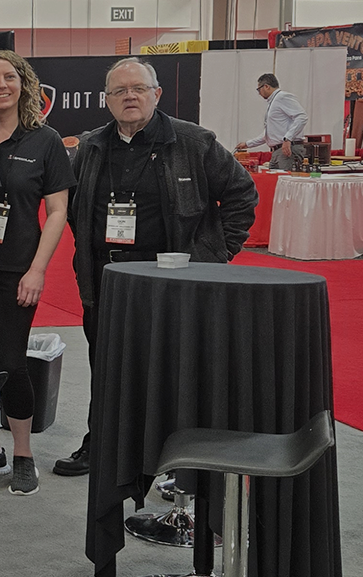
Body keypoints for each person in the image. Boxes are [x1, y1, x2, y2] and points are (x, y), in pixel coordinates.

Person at [53, 57, 258, 478]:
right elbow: (72, 209)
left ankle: (176, 457)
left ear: (156, 94)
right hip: (107, 280)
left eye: (138, 89)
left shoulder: (193, 142)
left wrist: (215, 255)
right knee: (106, 366)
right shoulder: (90, 147)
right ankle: (102, 443)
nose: (129, 97)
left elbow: (242, 194)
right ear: (107, 99)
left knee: (176, 370)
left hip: (173, 280)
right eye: (119, 91)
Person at [0, 51, 74, 496]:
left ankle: (23, 454)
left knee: (10, 363)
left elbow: (58, 211)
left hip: (16, 270)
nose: (1, 85)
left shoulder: (45, 140)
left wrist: (37, 270)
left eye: (9, 77)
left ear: (24, 83)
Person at [237, 72, 308, 170]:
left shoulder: (282, 97)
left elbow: (301, 117)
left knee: (284, 178)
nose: (259, 93)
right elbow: (270, 134)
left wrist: (288, 139)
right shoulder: (274, 102)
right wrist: (247, 144)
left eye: (259, 89)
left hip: (287, 150)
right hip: (277, 151)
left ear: (266, 86)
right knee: (273, 178)